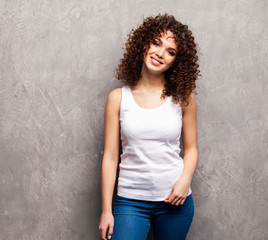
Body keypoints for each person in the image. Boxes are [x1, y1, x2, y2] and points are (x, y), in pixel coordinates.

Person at [99, 13, 201, 240]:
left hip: (176, 202)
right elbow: (110, 157)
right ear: (144, 43)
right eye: (156, 43)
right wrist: (107, 210)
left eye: (170, 51)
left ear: (177, 61)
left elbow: (192, 149)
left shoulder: (184, 98)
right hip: (130, 202)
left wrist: (185, 181)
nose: (160, 54)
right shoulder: (117, 98)